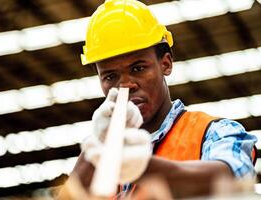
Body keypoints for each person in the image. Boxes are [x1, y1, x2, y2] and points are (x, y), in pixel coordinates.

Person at [70, 0, 257, 198]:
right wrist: (97, 146)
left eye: (138, 68)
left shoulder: (215, 132)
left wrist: (142, 166)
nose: (125, 85)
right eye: (110, 76)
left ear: (166, 64)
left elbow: (233, 180)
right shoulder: (96, 159)